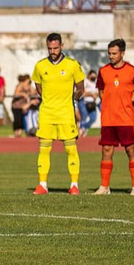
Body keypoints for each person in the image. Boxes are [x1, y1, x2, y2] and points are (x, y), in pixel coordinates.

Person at [31, 32, 86, 194]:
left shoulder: (72, 64)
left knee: (70, 149)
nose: (52, 51)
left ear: (62, 46)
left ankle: (74, 185)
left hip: (66, 113)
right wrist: (49, 100)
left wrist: (72, 100)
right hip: (47, 113)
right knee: (44, 149)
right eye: (50, 48)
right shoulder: (40, 65)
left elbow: (80, 88)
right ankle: (42, 185)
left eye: (55, 48)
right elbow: (38, 86)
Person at [93, 39, 134, 194]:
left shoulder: (132, 70)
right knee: (106, 151)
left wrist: (131, 107)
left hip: (126, 119)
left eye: (114, 53)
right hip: (109, 119)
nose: (111, 56)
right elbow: (101, 92)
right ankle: (105, 187)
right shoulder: (103, 71)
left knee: (131, 151)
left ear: (122, 53)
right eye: (109, 53)